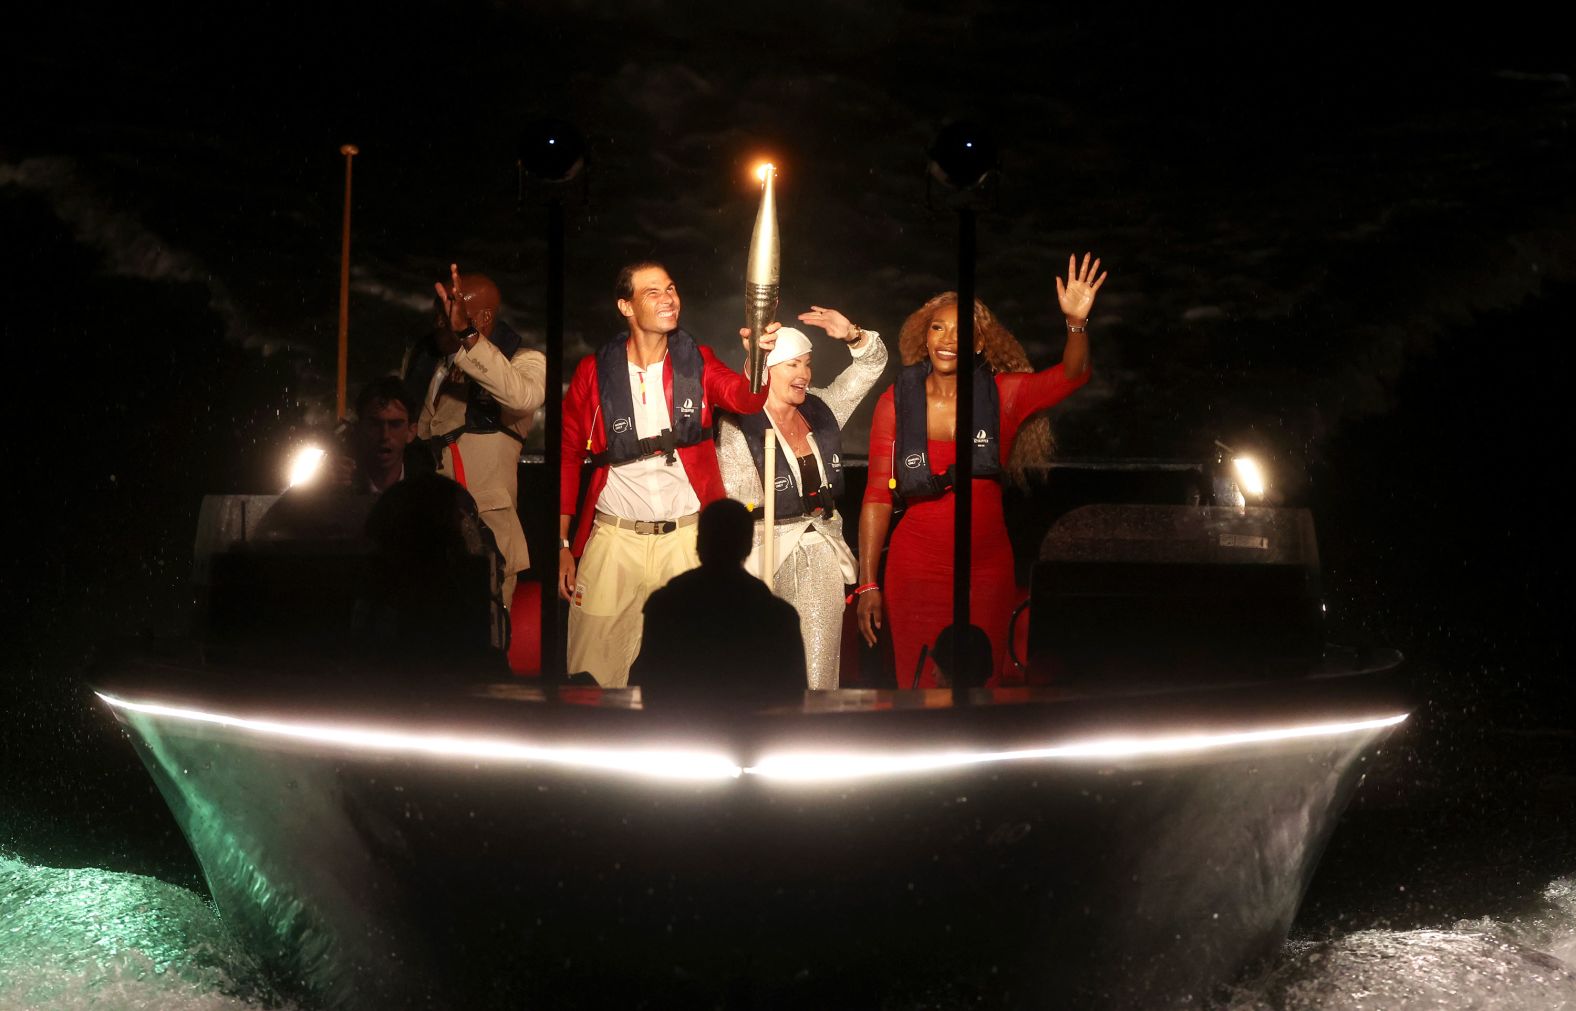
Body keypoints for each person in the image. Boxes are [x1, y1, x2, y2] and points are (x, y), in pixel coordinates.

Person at [857, 253, 1107, 688]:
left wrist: (1076, 323)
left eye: (961, 331)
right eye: (938, 327)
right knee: (918, 688)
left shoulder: (1003, 396)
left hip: (986, 571)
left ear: (978, 344)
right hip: (915, 568)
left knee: (979, 689)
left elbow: (1072, 375)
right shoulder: (896, 402)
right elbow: (877, 495)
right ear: (925, 336)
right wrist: (866, 584)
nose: (948, 338)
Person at [558, 261, 777, 687]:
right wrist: (562, 543)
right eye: (653, 292)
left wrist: (757, 359)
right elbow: (568, 454)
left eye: (672, 288)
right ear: (625, 305)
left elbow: (745, 399)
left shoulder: (698, 361)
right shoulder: (593, 373)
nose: (668, 298)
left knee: (693, 670)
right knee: (595, 670)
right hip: (614, 540)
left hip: (685, 537)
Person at [715, 307, 887, 689]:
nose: (804, 375)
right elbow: (735, 384)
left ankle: (815, 738)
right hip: (757, 554)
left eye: (806, 365)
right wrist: (753, 359)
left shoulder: (822, 408)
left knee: (817, 670)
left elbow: (870, 366)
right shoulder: (732, 419)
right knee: (753, 671)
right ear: (767, 369)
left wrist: (852, 335)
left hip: (819, 551)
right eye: (792, 365)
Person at [407, 264, 546, 607]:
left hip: (487, 537)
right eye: (438, 311)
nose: (441, 320)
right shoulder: (427, 364)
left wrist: (468, 336)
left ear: (481, 316)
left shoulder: (525, 363)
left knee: (486, 644)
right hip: (429, 530)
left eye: (450, 310)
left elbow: (521, 396)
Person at [630, 499, 805, 709]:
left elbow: (650, 686)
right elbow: (793, 695)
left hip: (680, 729)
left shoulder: (663, 605)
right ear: (748, 545)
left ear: (699, 543)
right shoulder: (779, 616)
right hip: (750, 732)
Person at [329, 376, 429, 494]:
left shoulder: (428, 491)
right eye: (375, 424)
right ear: (360, 428)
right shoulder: (336, 481)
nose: (385, 435)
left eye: (395, 424)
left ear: (411, 432)